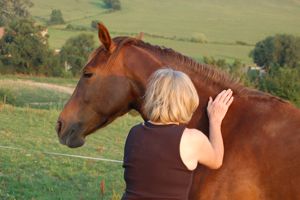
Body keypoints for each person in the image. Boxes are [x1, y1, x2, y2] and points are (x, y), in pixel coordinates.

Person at [122, 68, 234, 200]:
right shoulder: (191, 139)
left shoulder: (134, 133)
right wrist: (215, 121)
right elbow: (216, 160)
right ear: (187, 101)